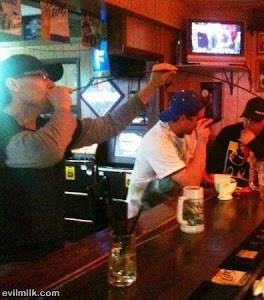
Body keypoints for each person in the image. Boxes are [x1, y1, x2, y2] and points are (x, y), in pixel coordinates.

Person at [0, 54, 177, 263]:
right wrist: (62, 109)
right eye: (42, 76)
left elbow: (110, 124)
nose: (51, 84)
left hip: (49, 249)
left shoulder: (49, 127)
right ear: (13, 84)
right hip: (10, 259)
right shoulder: (5, 130)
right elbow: (48, 150)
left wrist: (152, 85)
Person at [127, 90, 213, 209]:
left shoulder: (188, 131)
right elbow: (191, 184)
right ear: (183, 118)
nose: (201, 123)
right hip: (145, 215)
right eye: (199, 119)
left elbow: (193, 161)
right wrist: (202, 143)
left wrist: (207, 179)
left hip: (169, 206)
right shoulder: (158, 141)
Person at [206, 97, 264, 185]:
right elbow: (211, 167)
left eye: (255, 120)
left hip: (259, 190)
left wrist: (253, 143)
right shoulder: (228, 132)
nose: (249, 124)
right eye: (247, 118)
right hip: (227, 188)